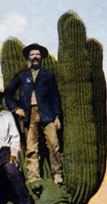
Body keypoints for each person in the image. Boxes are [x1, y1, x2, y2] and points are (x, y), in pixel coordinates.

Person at [4, 43, 64, 187]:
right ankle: (33, 177)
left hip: (47, 114)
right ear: (28, 58)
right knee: (31, 147)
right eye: (32, 55)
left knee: (54, 145)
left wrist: (57, 116)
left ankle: (57, 174)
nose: (35, 57)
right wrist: (15, 108)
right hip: (29, 114)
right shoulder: (23, 76)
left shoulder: (48, 76)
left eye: (37, 54)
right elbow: (8, 93)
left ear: (41, 57)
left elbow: (55, 96)